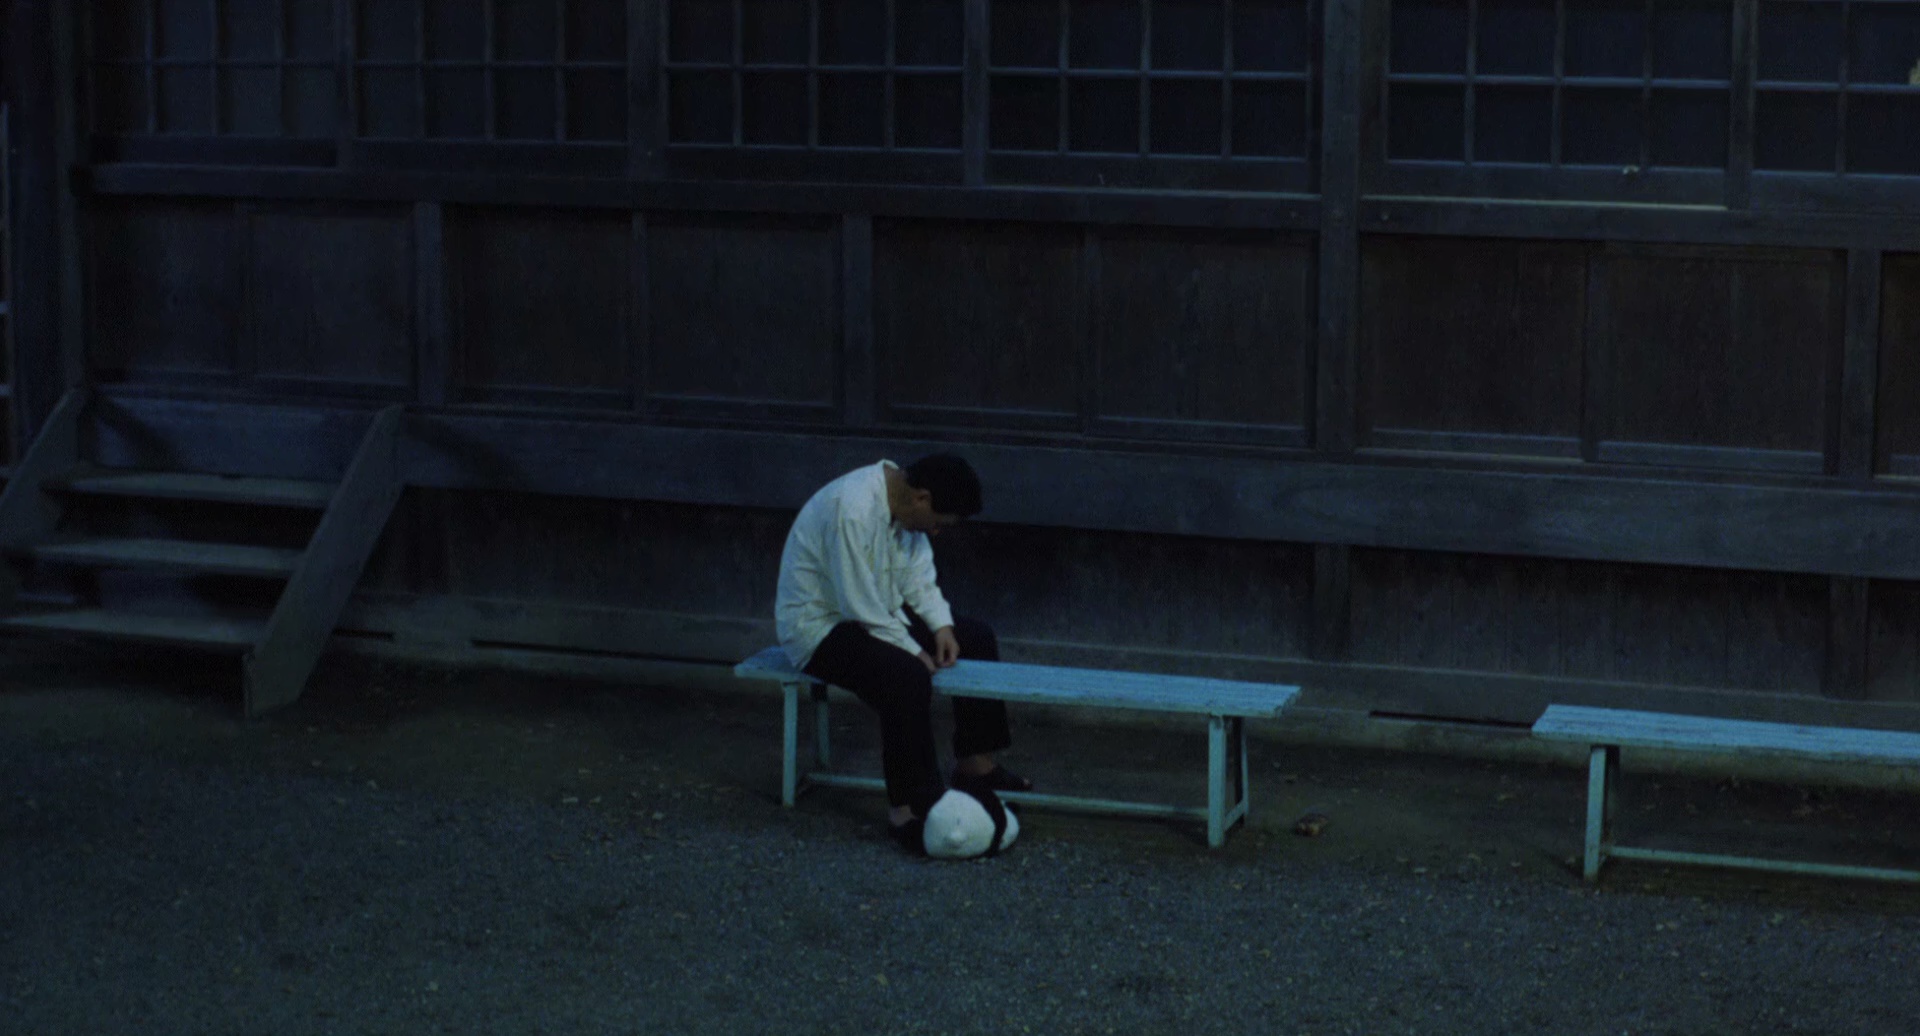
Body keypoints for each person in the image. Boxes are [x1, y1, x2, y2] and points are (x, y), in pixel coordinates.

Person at [774, 453, 1031, 850]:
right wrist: (912, 649)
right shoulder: (852, 509)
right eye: (938, 522)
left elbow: (916, 576)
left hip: (874, 610)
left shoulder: (904, 506)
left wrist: (941, 626)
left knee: (975, 637)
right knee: (906, 676)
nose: (937, 532)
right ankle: (908, 807)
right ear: (921, 498)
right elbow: (858, 604)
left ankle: (975, 765)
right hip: (820, 626)